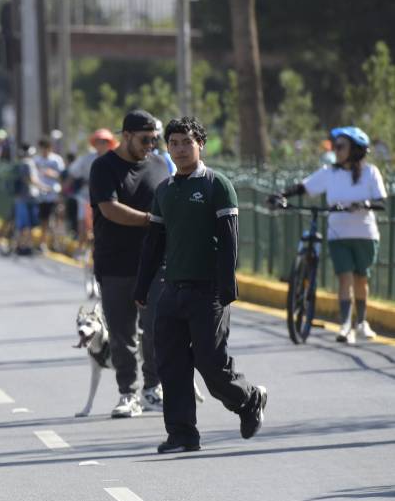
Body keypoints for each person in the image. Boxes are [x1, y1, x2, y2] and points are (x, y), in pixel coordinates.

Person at [134, 117, 267, 453]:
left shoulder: (216, 184)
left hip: (207, 291)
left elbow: (229, 239)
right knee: (171, 363)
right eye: (173, 143)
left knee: (211, 365)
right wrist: (142, 287)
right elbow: (154, 242)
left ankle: (249, 398)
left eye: (186, 142)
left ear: (200, 145)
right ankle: (182, 434)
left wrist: (227, 285)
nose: (179, 149)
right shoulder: (165, 189)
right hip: (172, 289)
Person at [89, 110, 170, 418]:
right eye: (145, 139)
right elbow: (109, 209)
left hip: (156, 263)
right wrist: (151, 220)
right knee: (122, 335)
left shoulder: (161, 165)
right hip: (115, 264)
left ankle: (153, 388)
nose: (151, 144)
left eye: (155, 138)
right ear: (126, 136)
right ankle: (128, 393)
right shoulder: (104, 166)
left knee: (156, 329)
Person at [273, 126, 388, 343]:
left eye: (341, 146)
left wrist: (363, 204)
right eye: (335, 146)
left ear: (355, 149)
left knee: (361, 279)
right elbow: (303, 187)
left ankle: (362, 322)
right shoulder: (330, 173)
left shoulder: (371, 172)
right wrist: (281, 194)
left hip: (365, 234)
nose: (336, 150)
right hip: (338, 235)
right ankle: (345, 326)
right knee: (344, 278)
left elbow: (380, 201)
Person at [69, 129, 118, 242]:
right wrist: (64, 190)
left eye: (104, 141)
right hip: (86, 196)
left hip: (107, 197)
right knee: (83, 224)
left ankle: (94, 250)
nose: (101, 144)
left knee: (101, 226)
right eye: (99, 141)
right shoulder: (86, 158)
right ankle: (82, 250)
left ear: (110, 143)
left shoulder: (115, 158)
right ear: (94, 143)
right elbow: (73, 173)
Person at [14, 144, 47, 256]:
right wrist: (44, 187)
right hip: (29, 197)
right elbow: (31, 179)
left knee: (23, 224)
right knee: (28, 224)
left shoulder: (20, 163)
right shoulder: (28, 163)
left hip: (22, 197)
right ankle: (25, 246)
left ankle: (21, 245)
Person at [35, 138, 66, 249]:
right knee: (44, 219)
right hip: (41, 195)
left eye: (46, 148)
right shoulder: (36, 160)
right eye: (42, 148)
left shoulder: (56, 160)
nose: (44, 151)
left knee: (57, 218)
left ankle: (57, 242)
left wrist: (52, 173)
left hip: (54, 193)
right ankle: (43, 243)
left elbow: (63, 176)